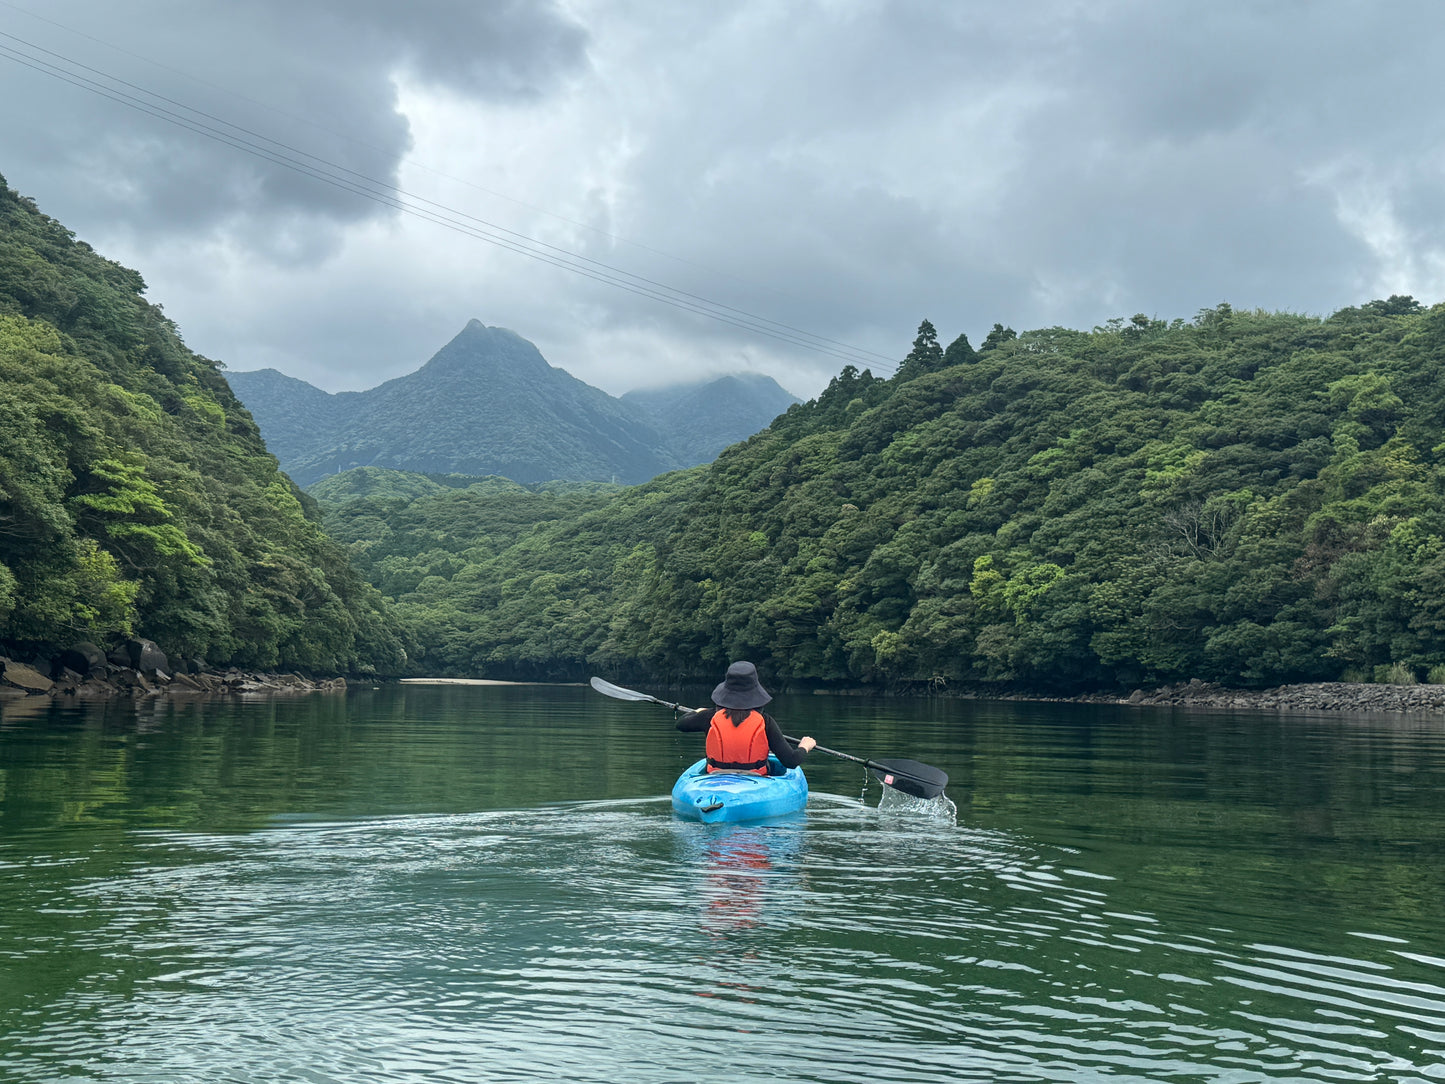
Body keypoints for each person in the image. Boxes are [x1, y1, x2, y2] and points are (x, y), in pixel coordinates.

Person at [676, 661, 816, 775]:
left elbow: (681, 724)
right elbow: (791, 761)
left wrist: (698, 711)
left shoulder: (709, 716)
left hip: (715, 776)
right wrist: (805, 746)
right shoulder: (765, 721)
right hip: (756, 778)